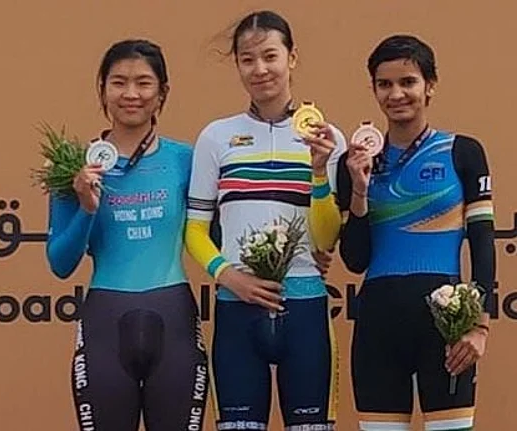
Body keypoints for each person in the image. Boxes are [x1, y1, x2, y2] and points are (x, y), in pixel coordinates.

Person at [184, 10, 346, 431]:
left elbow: (328, 237)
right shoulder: (216, 137)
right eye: (247, 59)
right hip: (237, 310)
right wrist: (228, 277)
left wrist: (317, 171)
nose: (260, 69)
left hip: (307, 306)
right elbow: (196, 230)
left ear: (292, 58)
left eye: (270, 56)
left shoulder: (327, 138)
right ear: (237, 64)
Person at [45, 39, 208, 431]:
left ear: (162, 93)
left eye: (143, 83)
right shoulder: (75, 165)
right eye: (118, 82)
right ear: (102, 89)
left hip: (173, 317)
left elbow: (214, 233)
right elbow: (60, 263)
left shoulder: (186, 159)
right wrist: (86, 206)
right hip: (105, 317)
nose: (131, 94)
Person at [336, 34, 496, 431]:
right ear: (373, 89)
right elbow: (355, 260)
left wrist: (478, 324)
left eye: (408, 82)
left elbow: (482, 244)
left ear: (430, 86)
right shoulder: (354, 161)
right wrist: (358, 187)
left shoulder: (463, 152)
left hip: (445, 323)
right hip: (378, 322)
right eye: (384, 84)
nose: (397, 94)